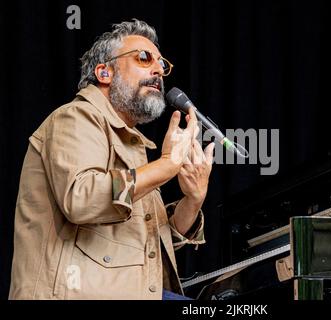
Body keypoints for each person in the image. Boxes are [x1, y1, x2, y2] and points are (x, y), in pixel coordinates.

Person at [9, 19, 215, 300]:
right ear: (104, 72)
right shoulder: (75, 117)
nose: (157, 69)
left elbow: (149, 238)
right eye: (144, 58)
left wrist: (192, 200)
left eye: (161, 64)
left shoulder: (131, 143)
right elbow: (82, 197)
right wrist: (166, 164)